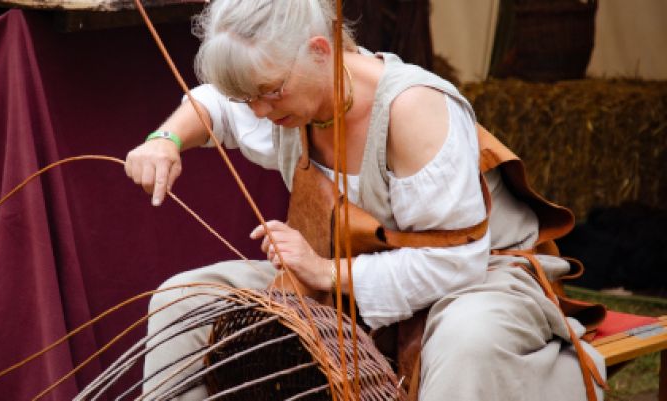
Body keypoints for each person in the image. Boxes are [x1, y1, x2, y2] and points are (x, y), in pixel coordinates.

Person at [124, 0, 606, 400]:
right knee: (185, 300)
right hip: (345, 278)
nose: (259, 112)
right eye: (247, 97)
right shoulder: (286, 98)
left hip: (475, 279)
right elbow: (212, 104)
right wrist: (165, 140)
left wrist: (325, 273)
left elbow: (455, 263)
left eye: (270, 93)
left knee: (467, 341)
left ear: (318, 50)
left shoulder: (414, 109)